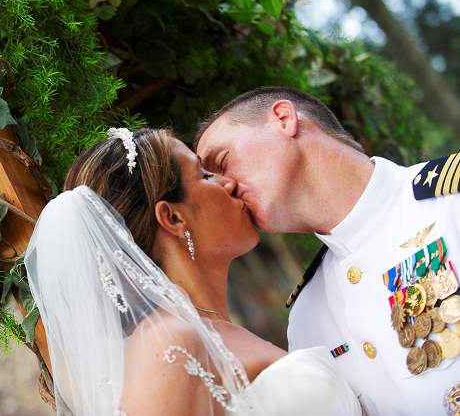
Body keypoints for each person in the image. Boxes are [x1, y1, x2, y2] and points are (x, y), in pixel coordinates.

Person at [25, 127, 362, 416]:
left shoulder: (204, 330)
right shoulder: (169, 340)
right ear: (173, 218)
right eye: (204, 174)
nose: (228, 183)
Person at [193, 86, 460, 416]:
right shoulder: (307, 314)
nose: (225, 187)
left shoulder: (451, 201)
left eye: (222, 161)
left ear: (283, 119)